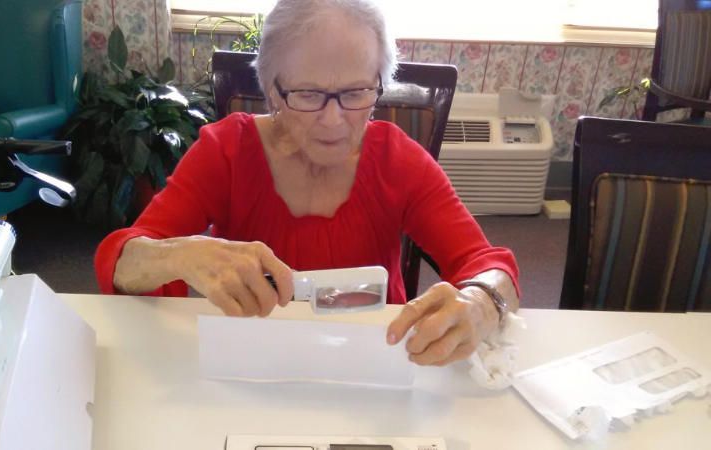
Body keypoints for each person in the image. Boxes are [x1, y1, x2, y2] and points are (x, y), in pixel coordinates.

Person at [95, 0, 520, 367]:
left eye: (356, 93)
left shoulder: (399, 160)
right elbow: (121, 262)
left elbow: (489, 264)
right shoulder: (225, 153)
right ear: (274, 90)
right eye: (308, 94)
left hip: (374, 363)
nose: (333, 121)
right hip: (248, 363)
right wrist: (180, 255)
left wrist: (482, 300)